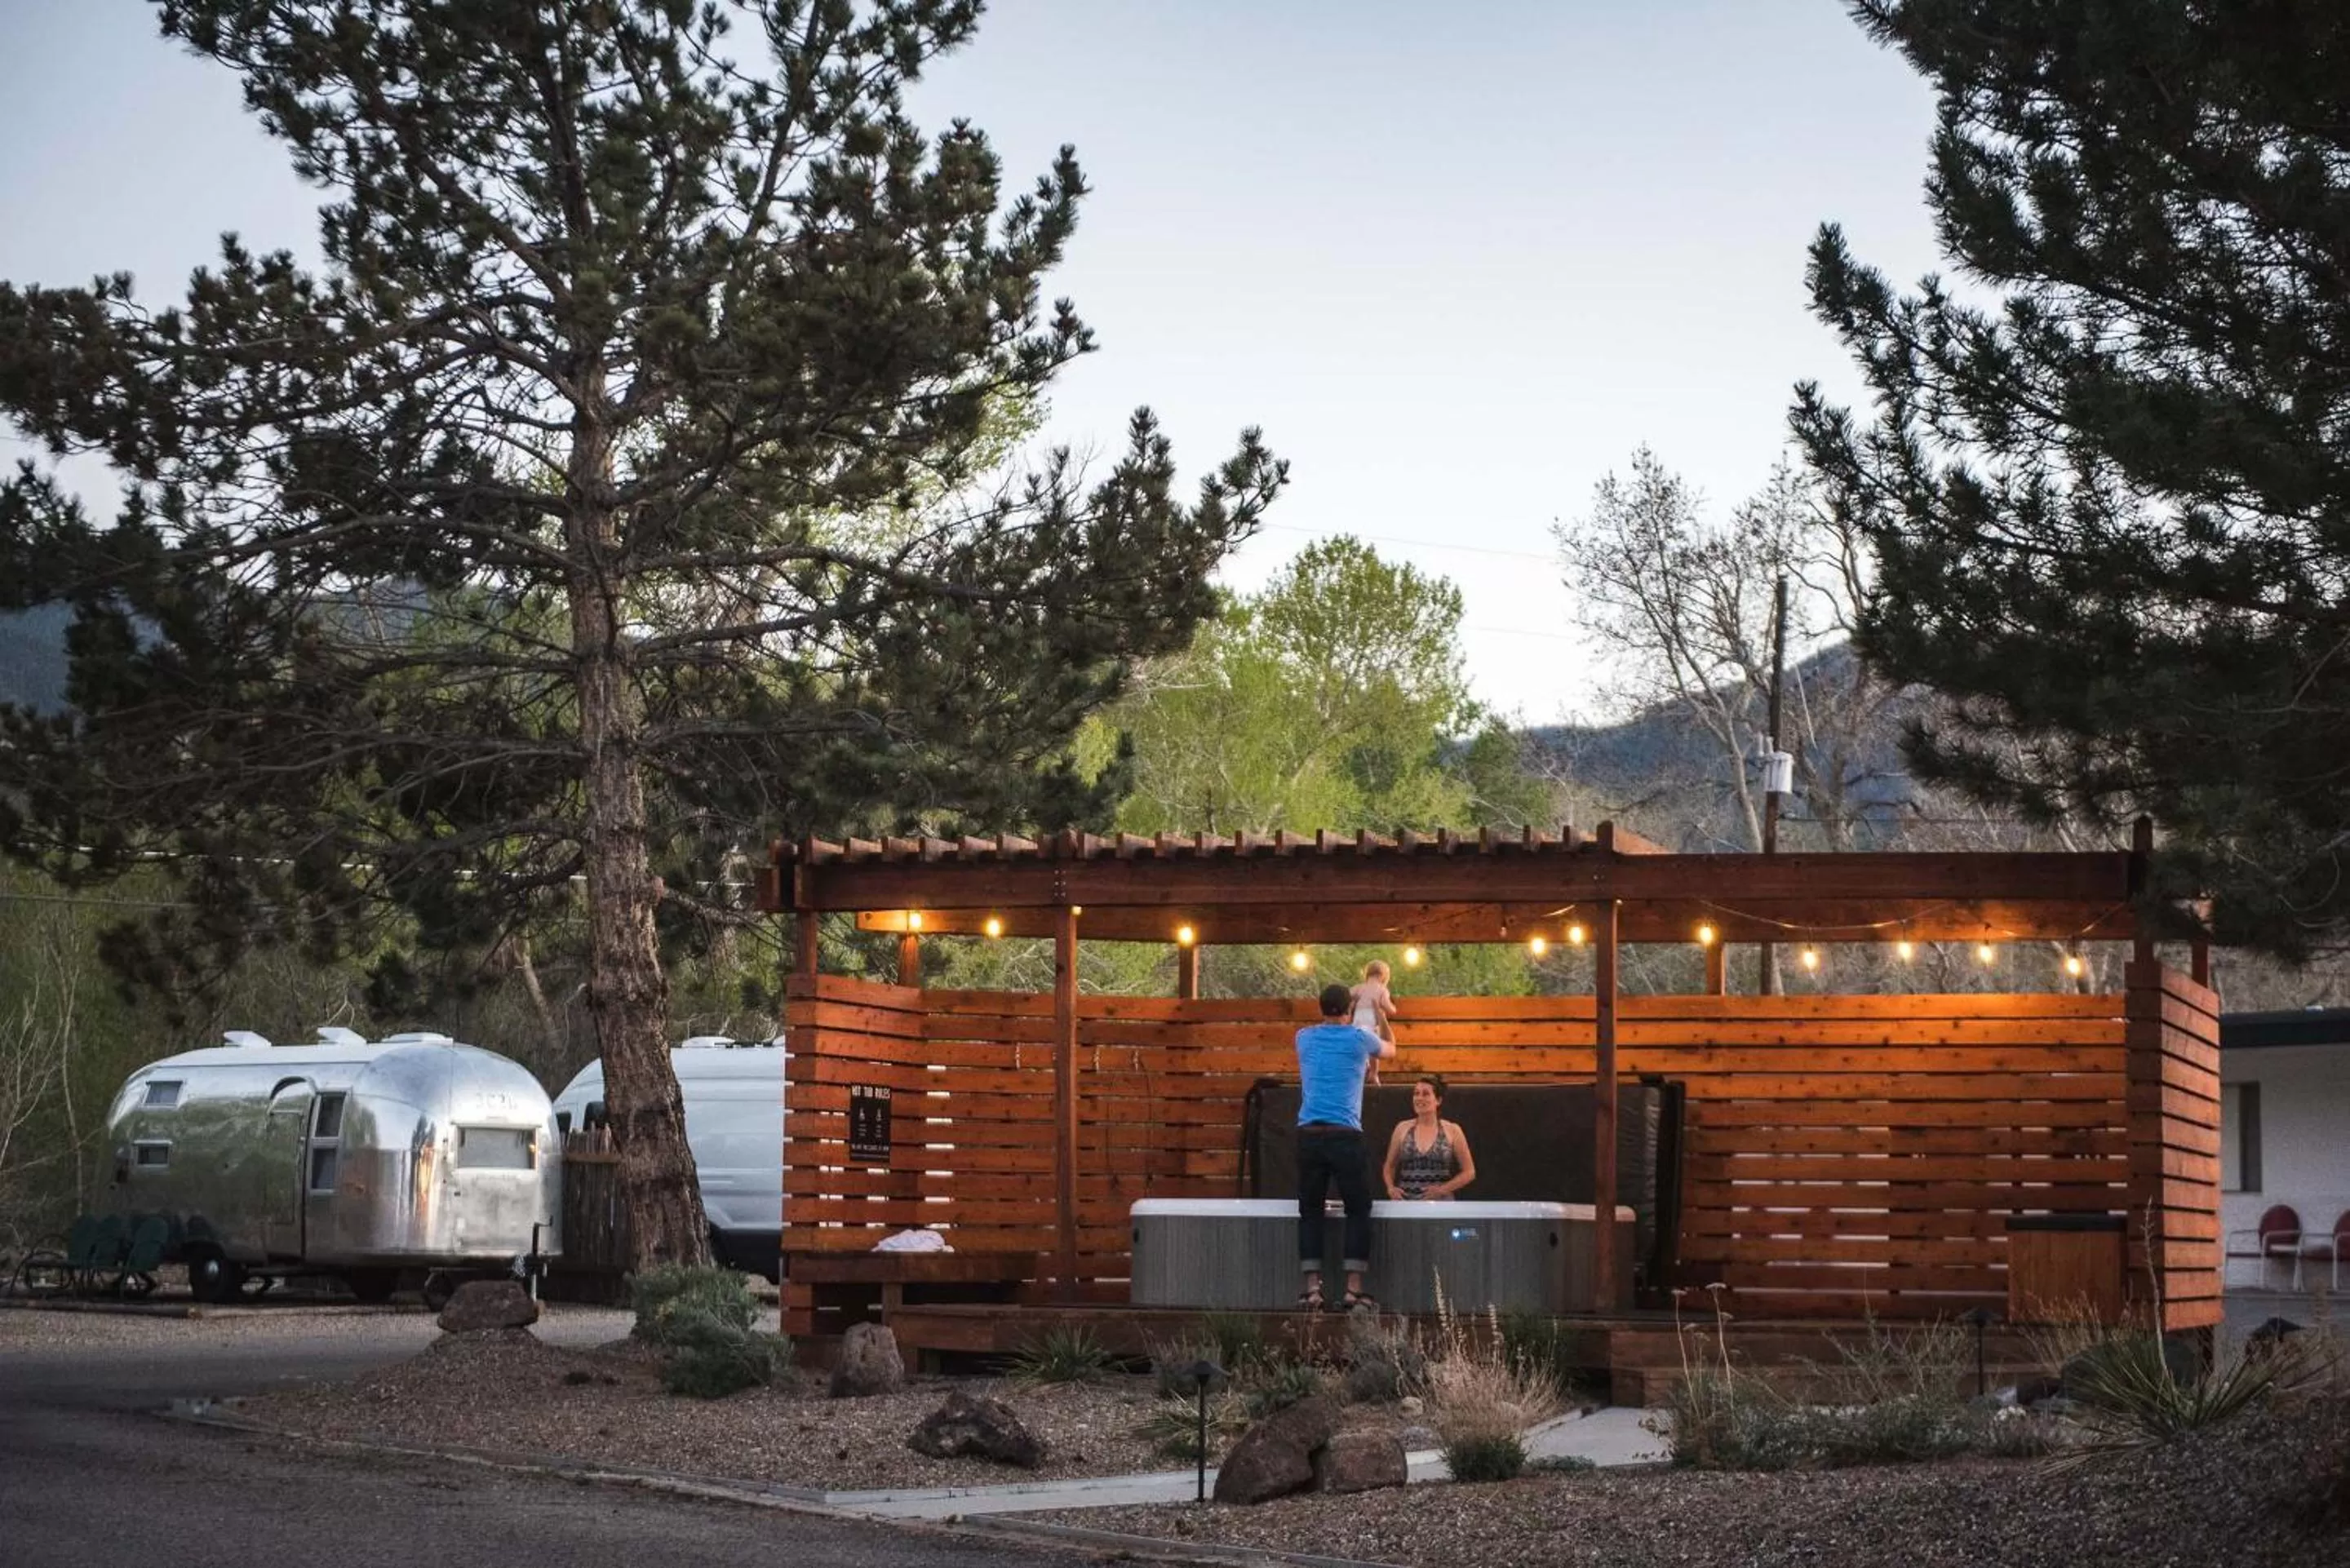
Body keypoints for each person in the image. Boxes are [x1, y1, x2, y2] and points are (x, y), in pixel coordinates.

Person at [1295, 981, 1396, 1311]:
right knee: (1358, 1209)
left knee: (1310, 1211)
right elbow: (1391, 1050)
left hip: (1309, 1134)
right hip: (1344, 1133)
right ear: (1349, 1010)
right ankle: (1353, 1290)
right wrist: (1381, 1015)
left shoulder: (1304, 1038)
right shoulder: (1359, 1039)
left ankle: (1312, 1290)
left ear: (1321, 1008)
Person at [1382, 1074, 1476, 1200]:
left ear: (1438, 1100)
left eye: (1426, 1094)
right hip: (1406, 1204)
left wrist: (1443, 1190)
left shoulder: (1452, 1130)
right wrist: (1390, 1188)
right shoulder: (1402, 1128)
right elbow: (1390, 1166)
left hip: (1441, 1206)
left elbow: (1469, 1172)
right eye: (1416, 1093)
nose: (1419, 1098)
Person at [1350, 959, 1397, 1087]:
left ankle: (1362, 1067)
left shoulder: (1360, 988)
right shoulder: (1382, 990)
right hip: (1371, 1019)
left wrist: (1352, 1004)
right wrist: (1393, 1008)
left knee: (1359, 1044)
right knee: (1373, 1047)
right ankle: (1374, 1073)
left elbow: (1347, 995)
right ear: (1383, 976)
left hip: (1358, 1019)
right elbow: (1389, 1009)